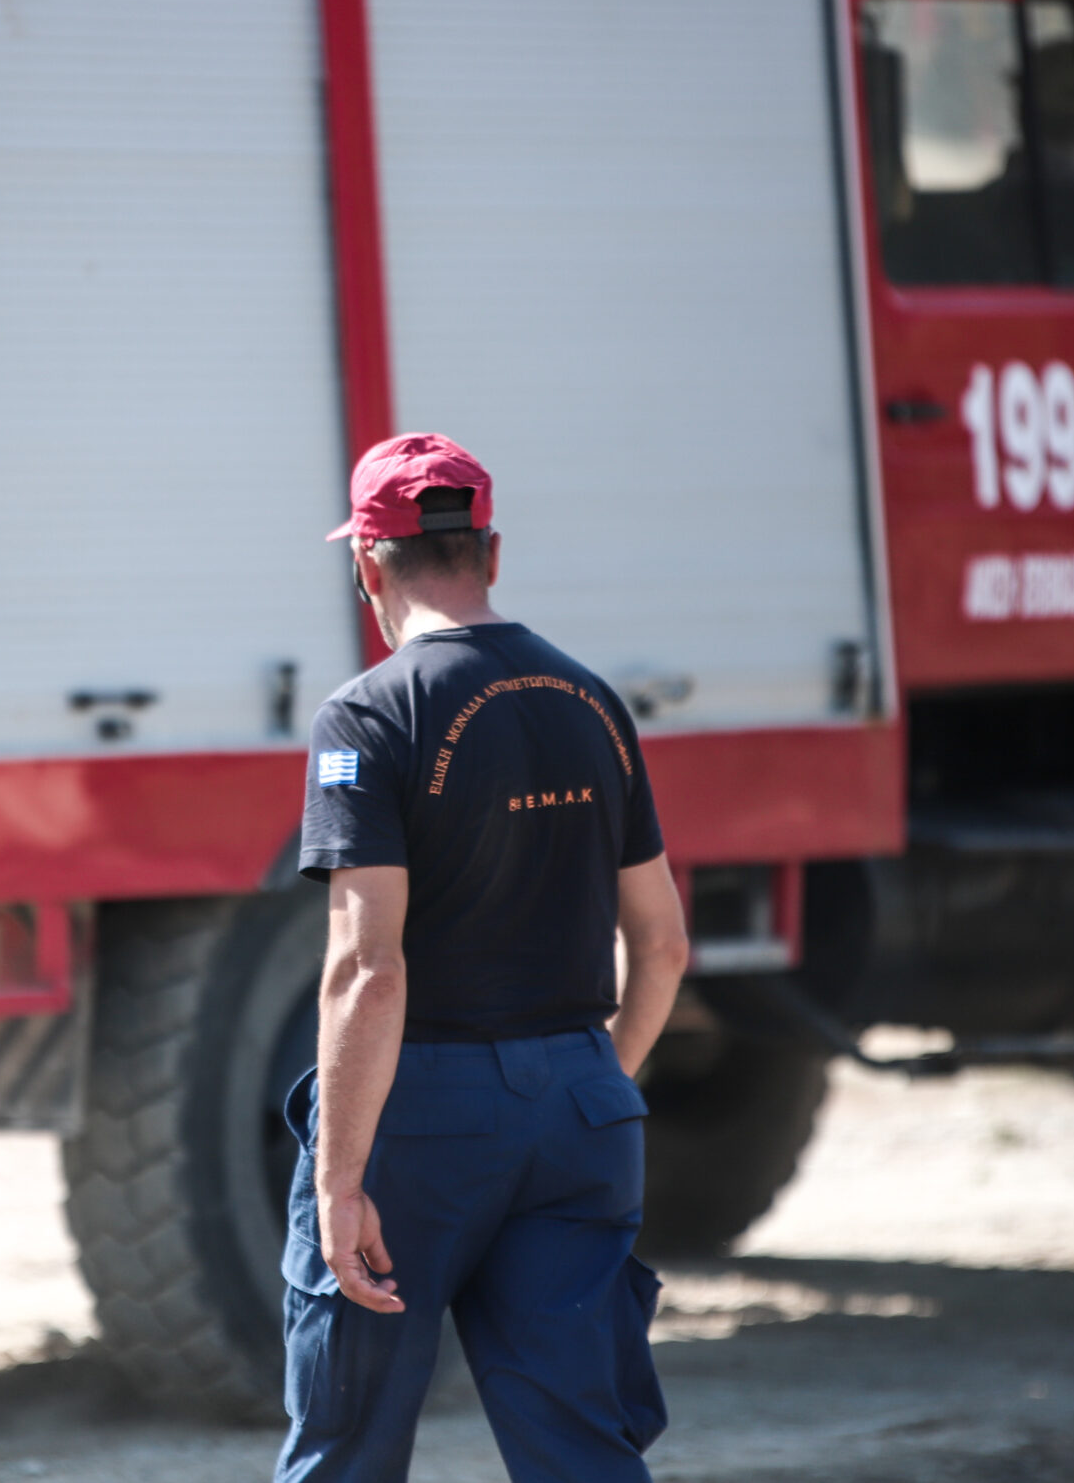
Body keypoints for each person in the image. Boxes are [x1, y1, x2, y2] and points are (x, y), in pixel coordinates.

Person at [278, 431, 691, 1483]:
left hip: (419, 1115)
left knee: (346, 1447)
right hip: (581, 1103)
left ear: (368, 563)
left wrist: (338, 1178)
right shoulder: (594, 699)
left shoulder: (366, 716)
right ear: (491, 552)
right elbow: (662, 940)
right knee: (582, 1449)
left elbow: (368, 966)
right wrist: (596, 1077)